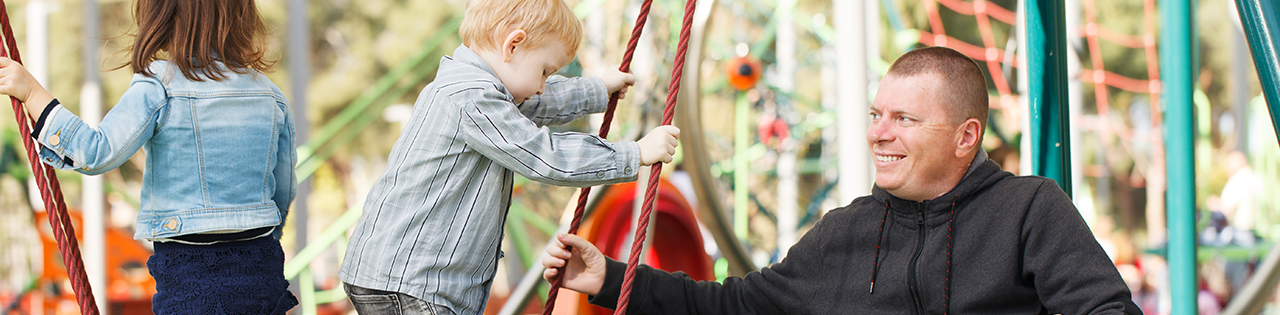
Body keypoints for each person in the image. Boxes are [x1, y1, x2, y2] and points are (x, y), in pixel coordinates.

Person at [542, 46, 1142, 314]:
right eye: (877, 115)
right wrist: (607, 278)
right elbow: (732, 305)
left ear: (966, 137)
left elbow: (1107, 311)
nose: (879, 133)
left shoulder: (1028, 209)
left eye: (904, 119)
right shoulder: (845, 234)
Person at [337, 0, 680, 314]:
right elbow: (545, 155)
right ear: (512, 45)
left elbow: (536, 102)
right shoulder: (472, 97)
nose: (544, 84)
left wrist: (596, 89)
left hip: (403, 277)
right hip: (413, 282)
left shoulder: (476, 85)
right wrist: (633, 152)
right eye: (546, 71)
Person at [0, 0, 297, 313]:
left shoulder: (160, 84)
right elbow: (284, 186)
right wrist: (259, 233)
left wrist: (33, 93)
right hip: (260, 264)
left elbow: (96, 152)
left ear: (161, 16)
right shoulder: (269, 93)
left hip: (191, 270)